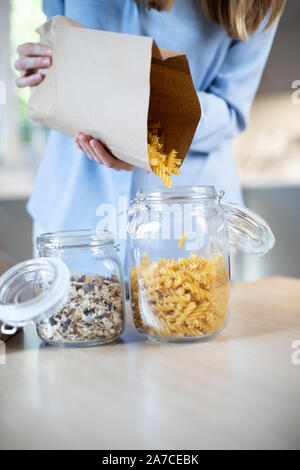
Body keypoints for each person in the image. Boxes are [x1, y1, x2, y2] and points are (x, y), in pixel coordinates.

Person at [15, 0, 285, 265]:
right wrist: (44, 69)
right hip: (72, 211)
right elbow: (61, 65)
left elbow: (231, 111)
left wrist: (144, 136)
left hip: (187, 221)